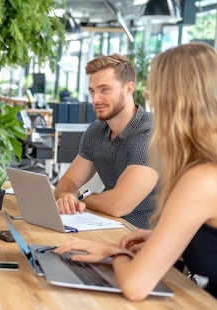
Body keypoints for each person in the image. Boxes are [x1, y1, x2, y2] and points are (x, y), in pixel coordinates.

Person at [55, 43, 217, 310]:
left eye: (155, 90)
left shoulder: (203, 176)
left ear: (174, 97)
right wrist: (156, 238)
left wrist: (116, 252)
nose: (150, 98)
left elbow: (135, 286)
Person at [54, 53, 158, 229]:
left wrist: (81, 197)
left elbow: (118, 205)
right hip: (109, 227)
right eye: (92, 91)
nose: (95, 99)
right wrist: (67, 197)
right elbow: (67, 183)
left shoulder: (150, 134)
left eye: (105, 90)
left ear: (129, 89)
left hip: (147, 237)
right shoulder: (97, 130)